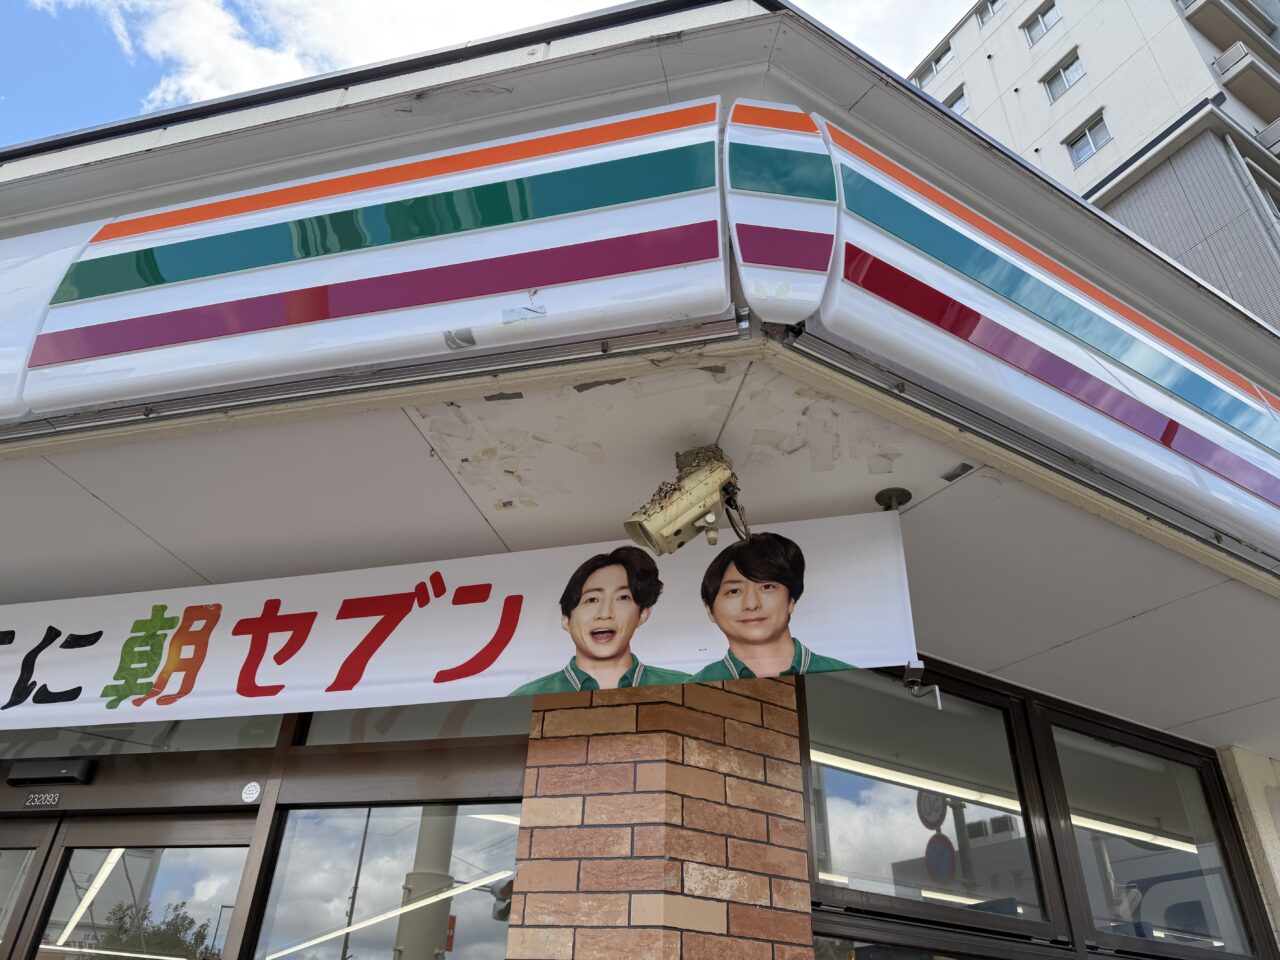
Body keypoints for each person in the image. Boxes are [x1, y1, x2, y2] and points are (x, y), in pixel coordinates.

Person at [510, 546, 691, 694]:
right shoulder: (526, 697)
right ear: (566, 620)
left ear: (642, 614)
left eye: (622, 598)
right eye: (591, 599)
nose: (605, 613)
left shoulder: (686, 686)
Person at [689, 532, 853, 681]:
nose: (752, 604)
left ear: (791, 600)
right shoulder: (693, 687)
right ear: (709, 609)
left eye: (767, 587)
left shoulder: (847, 677)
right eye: (734, 591)